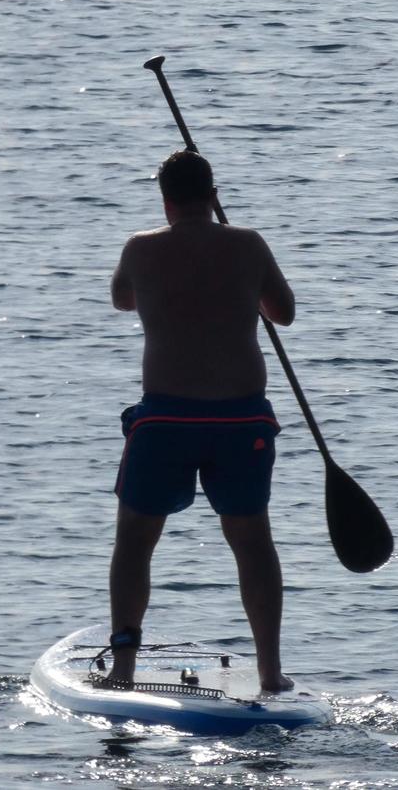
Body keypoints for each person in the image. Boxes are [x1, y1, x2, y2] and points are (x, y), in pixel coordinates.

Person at [105, 149, 296, 692]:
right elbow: (283, 312)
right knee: (253, 542)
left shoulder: (140, 249)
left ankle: (123, 669)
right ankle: (270, 672)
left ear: (164, 202)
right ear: (214, 196)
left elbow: (122, 300)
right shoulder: (249, 243)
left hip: (165, 417)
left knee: (135, 543)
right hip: (242, 420)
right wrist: (239, 276)